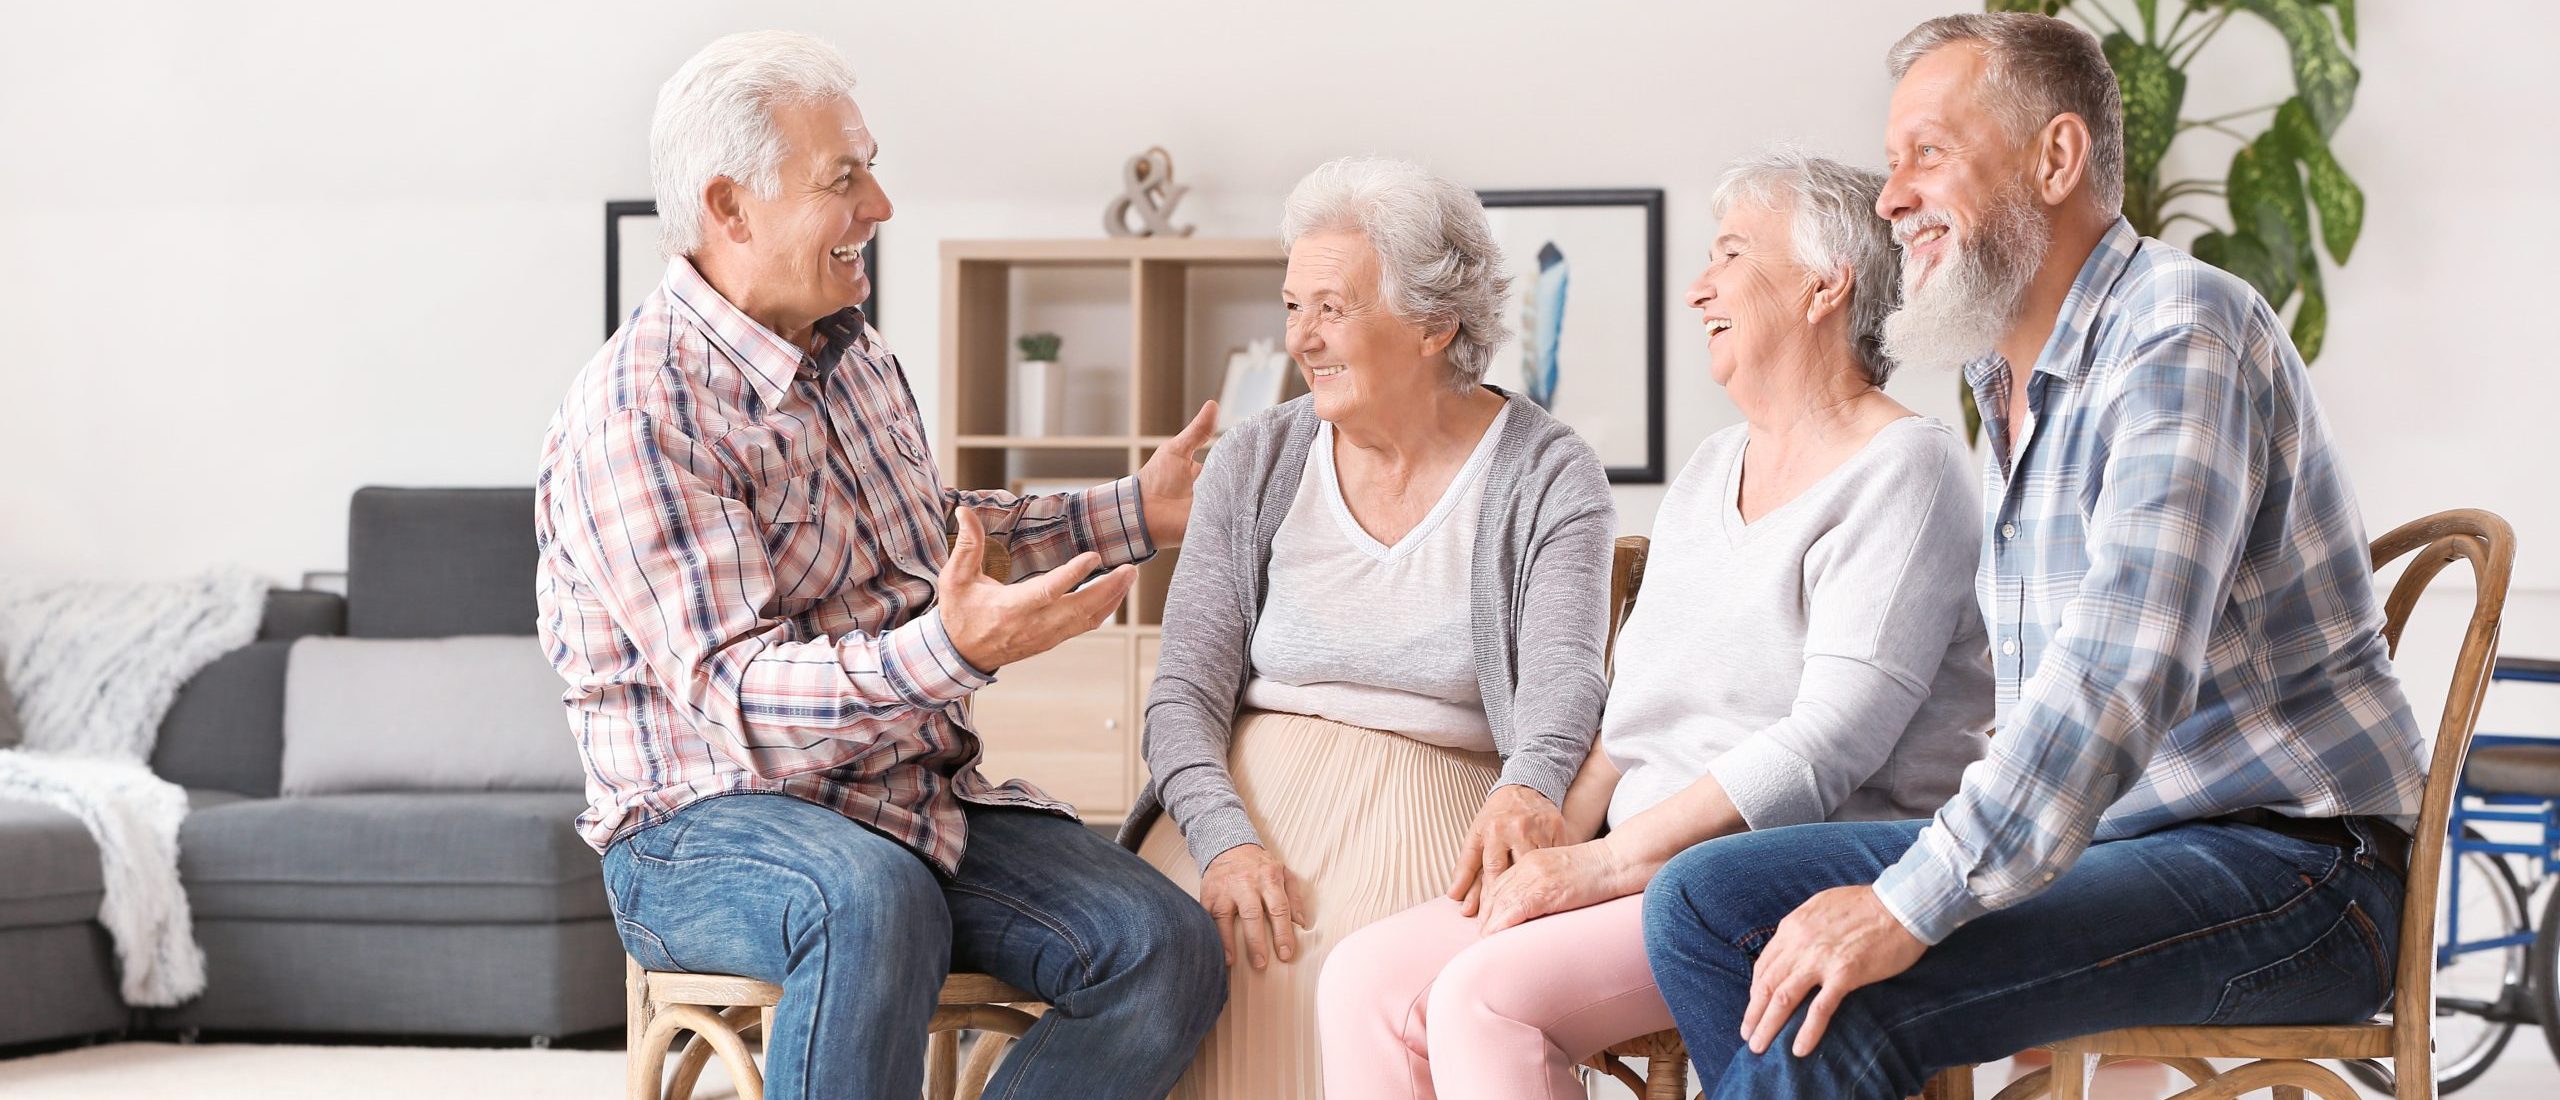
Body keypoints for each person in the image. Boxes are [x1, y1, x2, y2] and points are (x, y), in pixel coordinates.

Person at [1641, 14, 2428, 1099]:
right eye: (1892, 161)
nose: (1889, 195)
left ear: (2054, 158)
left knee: (1857, 991)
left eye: (1927, 152)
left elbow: (2120, 671)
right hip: (2117, 845)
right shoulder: (2003, 384)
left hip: (2292, 873)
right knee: (1700, 900)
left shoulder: (2178, 329)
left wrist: (1909, 901)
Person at [534, 31, 1224, 1100]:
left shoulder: (854, 355)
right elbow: (739, 693)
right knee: (872, 899)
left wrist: (1138, 509)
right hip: (701, 824)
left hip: (907, 798)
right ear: (730, 207)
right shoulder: (640, 407)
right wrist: (946, 651)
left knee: (1162, 944)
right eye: (842, 179)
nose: (882, 205)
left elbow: (939, 542)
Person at [1317, 150, 1993, 1100]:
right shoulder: (1712, 469)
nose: (1697, 289)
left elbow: (1827, 746)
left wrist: (1597, 866)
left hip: (1781, 877)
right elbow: (1632, 712)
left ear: (1823, 286)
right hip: (1638, 868)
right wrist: (1557, 840)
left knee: (1484, 997)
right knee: (1365, 979)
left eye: (1728, 255)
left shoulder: (1903, 473)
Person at [1126, 156, 1618, 1098]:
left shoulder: (1548, 471)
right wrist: (1224, 840)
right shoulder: (1259, 459)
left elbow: (1566, 681)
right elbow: (1183, 691)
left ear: (1436, 324)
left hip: (1448, 807)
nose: (1301, 339)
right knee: (1177, 949)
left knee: (1374, 970)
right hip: (1238, 809)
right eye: (1292, 306)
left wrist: (1533, 788)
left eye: (1332, 308)